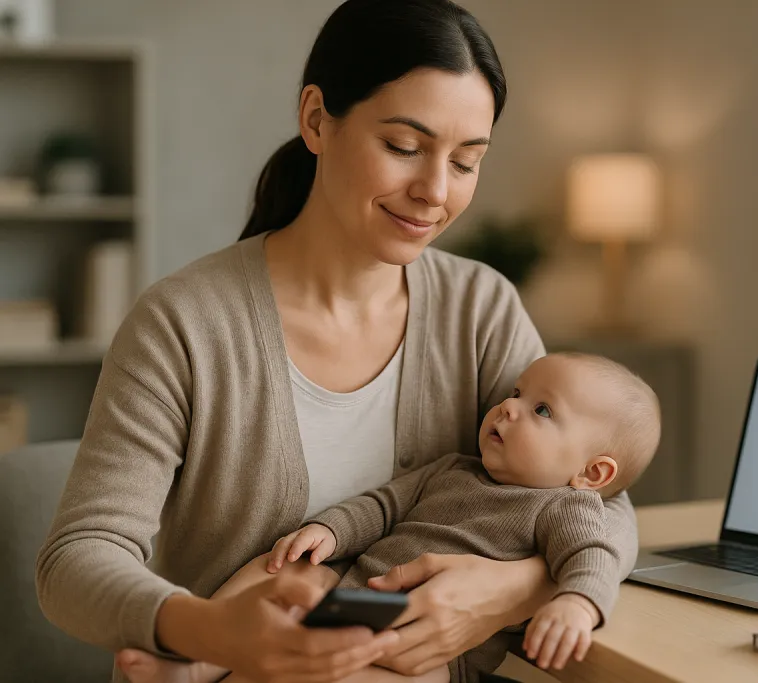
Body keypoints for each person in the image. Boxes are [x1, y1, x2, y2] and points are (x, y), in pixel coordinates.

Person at [35, 1, 640, 682]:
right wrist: (212, 631)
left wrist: (508, 591)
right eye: (404, 148)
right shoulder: (185, 322)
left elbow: (594, 493)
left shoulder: (481, 307)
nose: (435, 191)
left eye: (467, 162)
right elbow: (75, 561)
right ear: (317, 119)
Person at [114, 352, 661, 683]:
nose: (509, 406)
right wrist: (329, 531)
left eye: (542, 410)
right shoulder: (453, 468)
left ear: (593, 474)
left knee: (338, 672)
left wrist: (578, 603)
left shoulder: (567, 508)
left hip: (425, 651)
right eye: (517, 393)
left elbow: (594, 555)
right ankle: (198, 660)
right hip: (352, 586)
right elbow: (384, 505)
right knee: (279, 569)